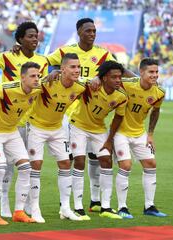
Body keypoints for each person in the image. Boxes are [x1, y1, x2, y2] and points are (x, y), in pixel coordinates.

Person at [47, 18, 136, 213]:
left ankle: (96, 200)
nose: (92, 34)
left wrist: (138, 79)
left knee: (96, 159)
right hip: (69, 115)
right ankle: (67, 203)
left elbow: (119, 69)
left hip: (93, 116)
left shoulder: (103, 54)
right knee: (71, 160)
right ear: (79, 31)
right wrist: (53, 71)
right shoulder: (66, 51)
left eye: (94, 31)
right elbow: (46, 63)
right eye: (88, 31)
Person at [0, 21, 49, 218]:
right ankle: (4, 205)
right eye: (30, 36)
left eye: (36, 36)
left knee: (29, 165)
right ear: (20, 39)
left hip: (31, 121)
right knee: (7, 167)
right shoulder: (7, 57)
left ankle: (27, 205)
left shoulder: (43, 61)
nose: (35, 39)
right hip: (8, 121)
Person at [27, 53, 87, 222]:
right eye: (72, 67)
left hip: (58, 129)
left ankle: (65, 208)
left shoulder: (80, 86)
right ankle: (34, 208)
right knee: (36, 164)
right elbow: (29, 85)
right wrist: (46, 76)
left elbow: (96, 81)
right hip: (36, 127)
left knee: (66, 164)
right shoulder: (49, 83)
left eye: (78, 67)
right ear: (62, 69)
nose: (77, 70)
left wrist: (97, 79)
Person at [0, 62, 43, 225]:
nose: (37, 79)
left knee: (26, 168)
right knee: (0, 169)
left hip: (11, 131)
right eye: (32, 76)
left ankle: (18, 212)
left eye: (38, 75)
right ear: (22, 77)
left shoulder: (38, 89)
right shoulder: (5, 88)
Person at [69, 60, 128, 219]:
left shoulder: (121, 96)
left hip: (99, 129)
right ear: (104, 78)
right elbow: (71, 79)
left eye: (119, 77)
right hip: (78, 126)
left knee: (106, 161)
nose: (117, 80)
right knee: (80, 161)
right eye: (113, 77)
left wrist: (109, 140)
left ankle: (106, 207)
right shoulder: (91, 86)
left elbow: (118, 118)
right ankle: (78, 207)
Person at [114, 58, 167, 218]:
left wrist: (150, 134)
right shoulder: (128, 84)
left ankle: (149, 206)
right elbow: (112, 81)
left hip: (139, 133)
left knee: (151, 163)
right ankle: (122, 207)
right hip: (120, 132)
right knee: (126, 165)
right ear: (141, 72)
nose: (155, 75)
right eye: (151, 72)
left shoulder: (159, 92)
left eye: (156, 72)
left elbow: (155, 111)